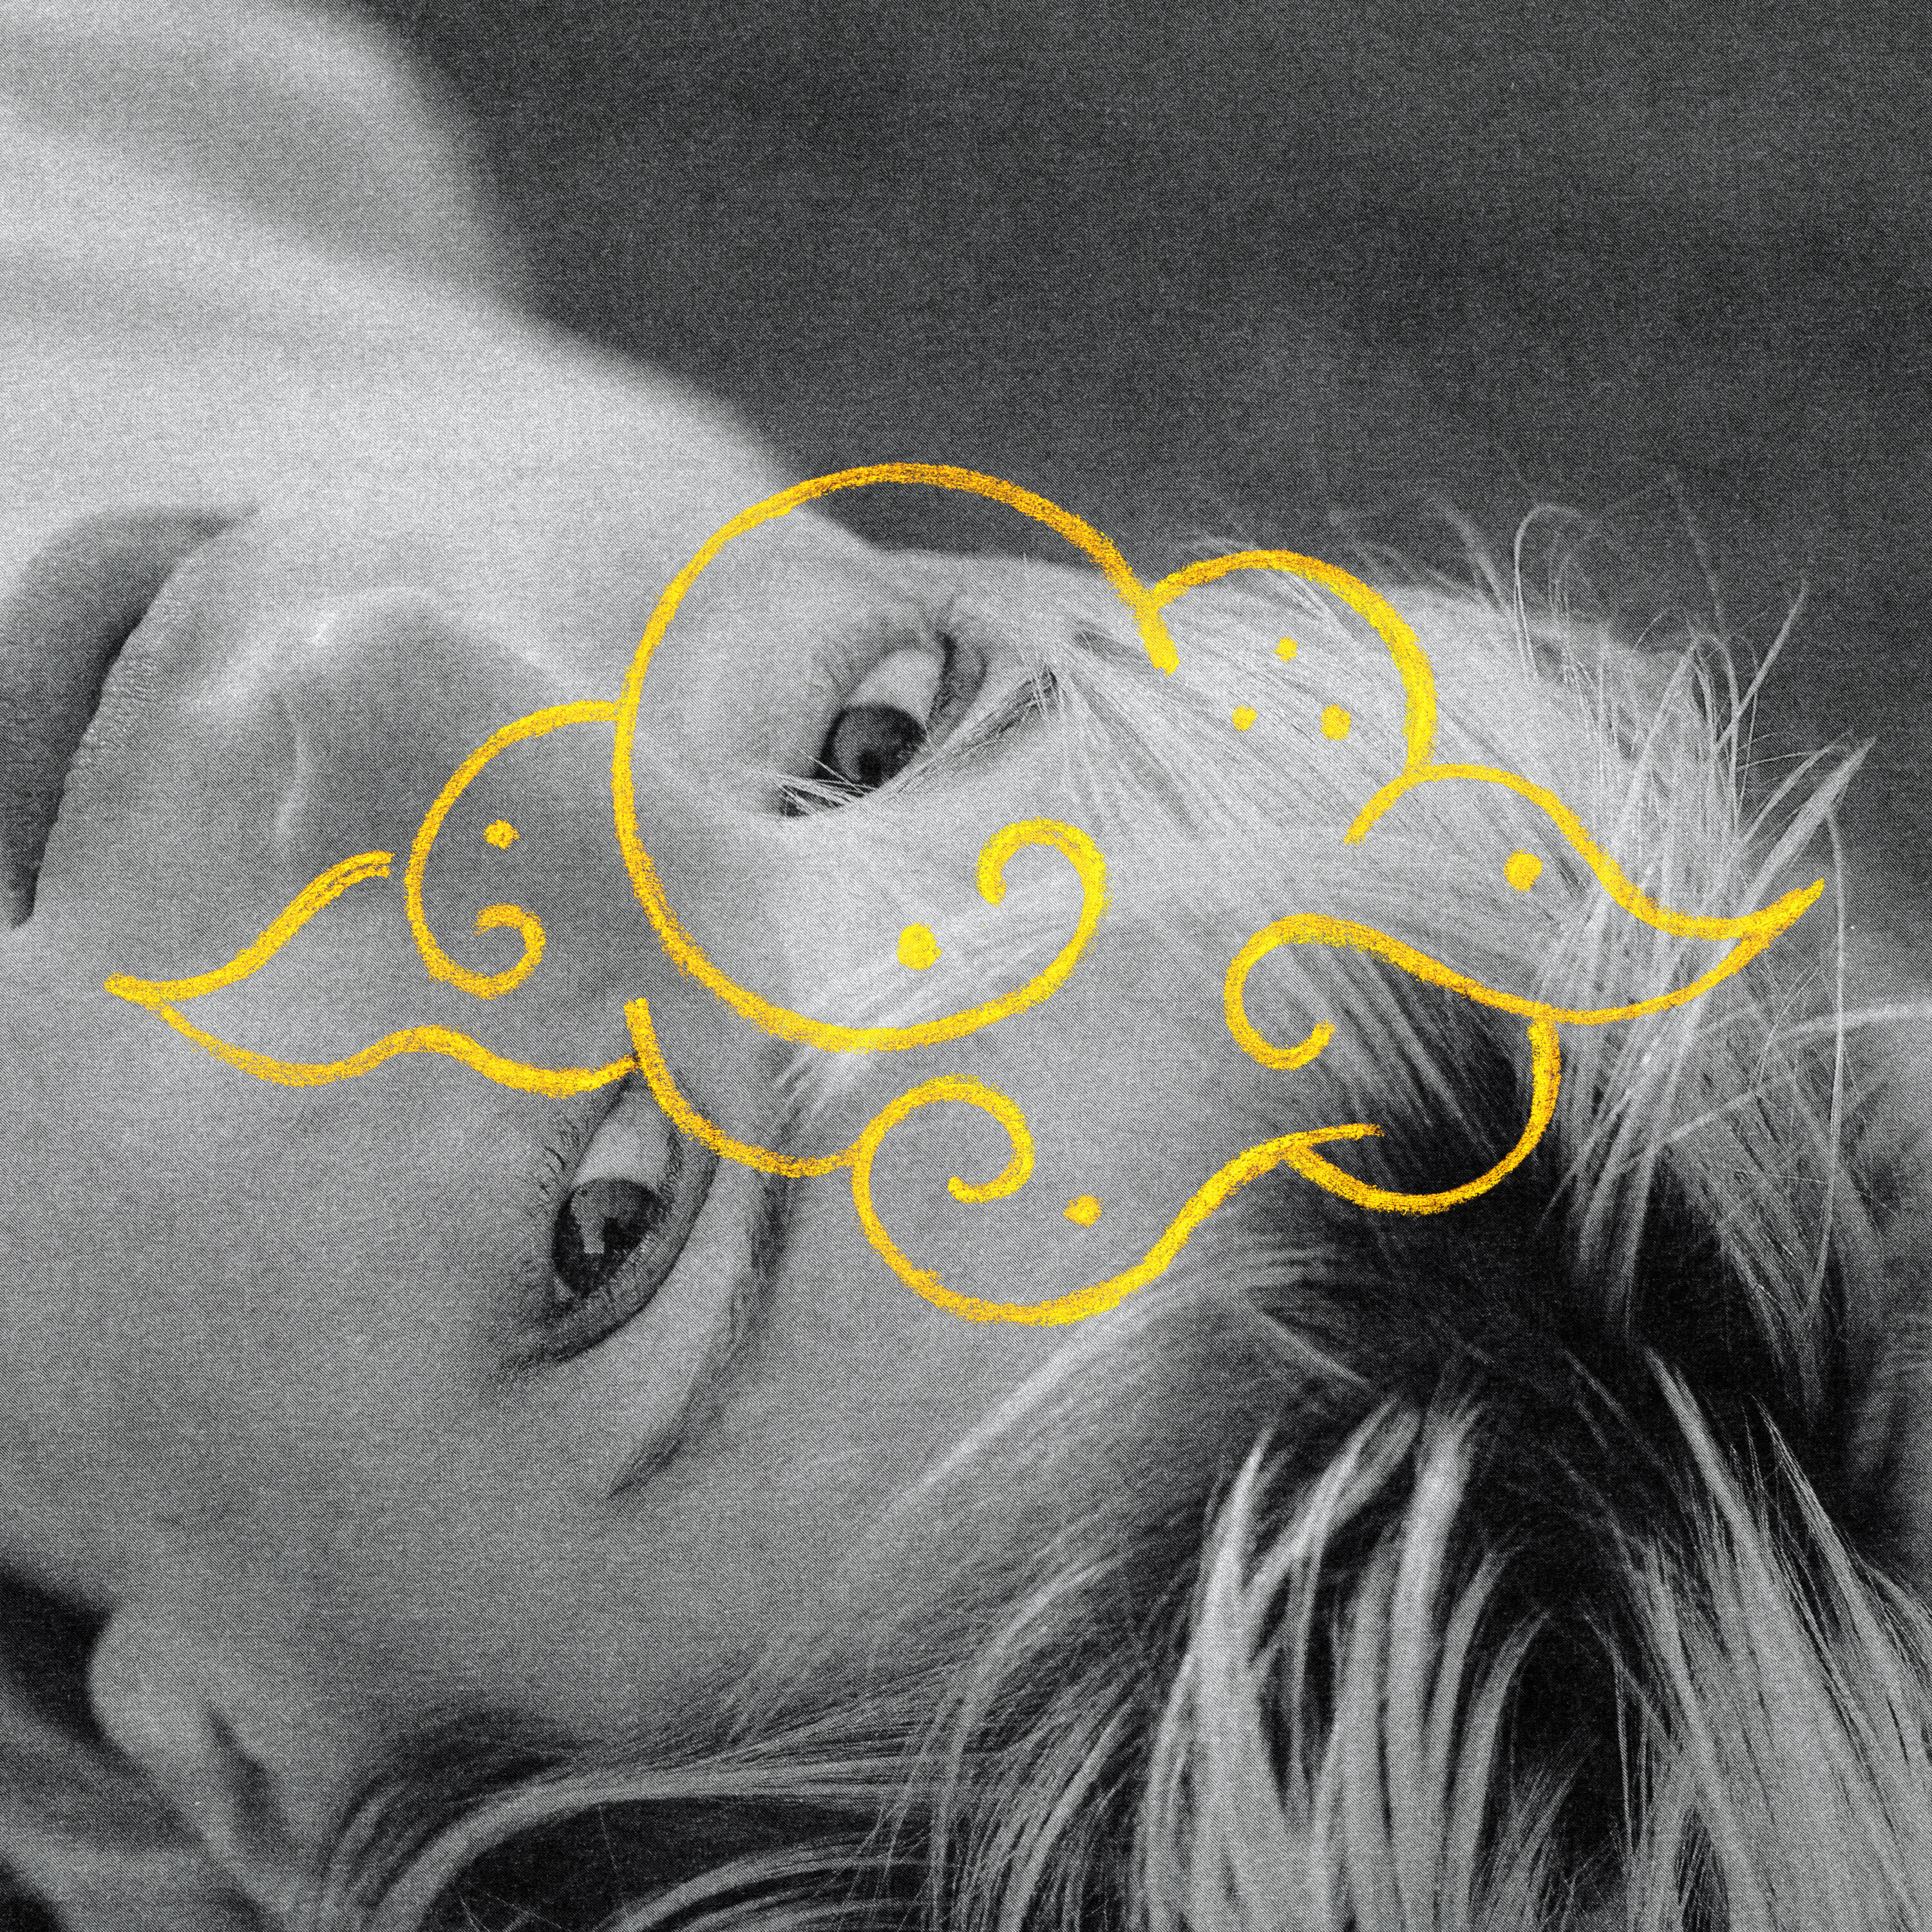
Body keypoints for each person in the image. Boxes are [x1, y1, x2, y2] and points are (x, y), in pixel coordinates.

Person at [8, 4, 1932, 1929]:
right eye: (877, 737)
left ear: (251, 1782)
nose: (382, 659)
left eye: (611, 1215)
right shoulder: (256, 179)